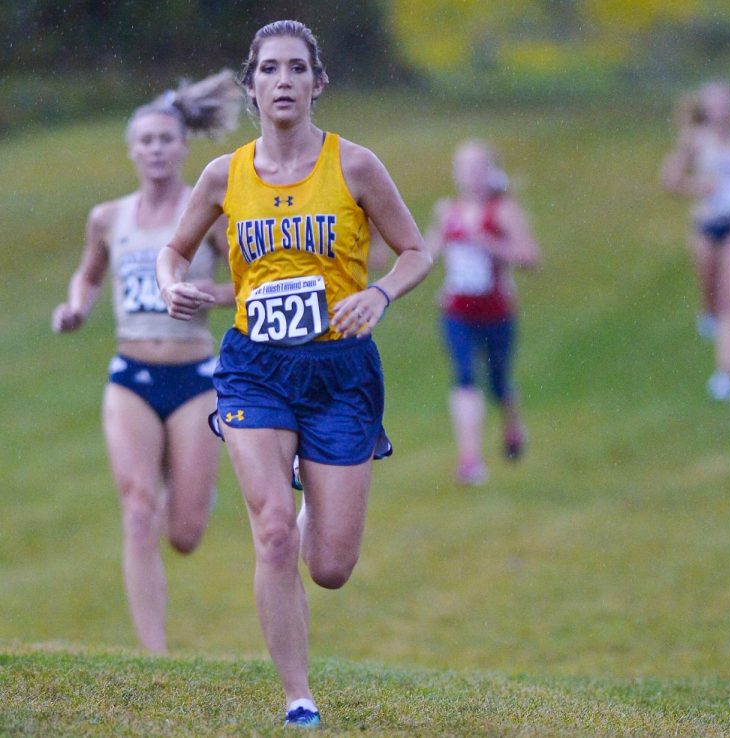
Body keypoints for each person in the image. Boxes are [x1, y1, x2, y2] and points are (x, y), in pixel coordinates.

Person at [155, 20, 432, 729]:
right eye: (269, 70)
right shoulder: (226, 175)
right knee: (272, 533)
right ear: (251, 86)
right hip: (256, 368)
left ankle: (315, 501)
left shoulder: (356, 166)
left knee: (330, 566)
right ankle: (298, 697)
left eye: (295, 69)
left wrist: (379, 293)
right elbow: (174, 251)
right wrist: (170, 286)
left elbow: (414, 252)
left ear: (317, 82)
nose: (283, 81)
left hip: (341, 372)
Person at [51, 71, 241, 652]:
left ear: (184, 147)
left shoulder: (204, 211)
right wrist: (76, 306)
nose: (157, 149)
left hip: (194, 379)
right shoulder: (108, 218)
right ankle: (154, 653)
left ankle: (192, 492)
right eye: (147, 141)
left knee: (183, 535)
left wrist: (207, 294)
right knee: (136, 509)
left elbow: (249, 282)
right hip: (130, 377)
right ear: (132, 150)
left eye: (167, 139)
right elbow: (88, 274)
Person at [424, 140, 540, 485]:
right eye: (465, 169)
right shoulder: (448, 212)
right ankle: (470, 459)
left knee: (499, 382)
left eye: (479, 169)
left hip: (497, 311)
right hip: (457, 310)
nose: (472, 177)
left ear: (492, 173)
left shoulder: (503, 211)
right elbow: (427, 254)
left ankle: (512, 423)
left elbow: (531, 257)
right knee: (464, 378)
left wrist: (487, 242)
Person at [661, 81, 730, 401]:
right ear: (706, 110)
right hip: (705, 225)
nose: (723, 111)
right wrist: (697, 187)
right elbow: (670, 180)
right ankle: (707, 313)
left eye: (727, 104)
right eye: (716, 105)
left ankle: (726, 374)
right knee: (710, 288)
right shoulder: (694, 141)